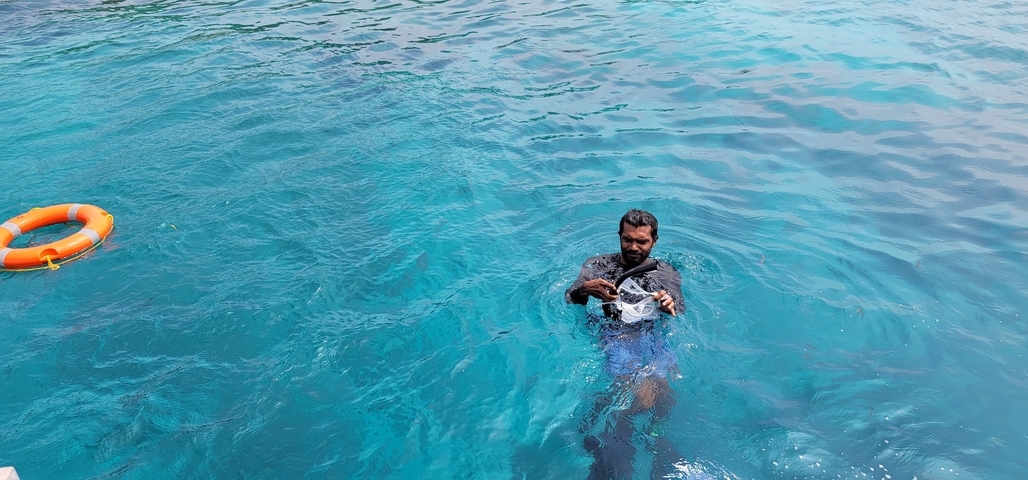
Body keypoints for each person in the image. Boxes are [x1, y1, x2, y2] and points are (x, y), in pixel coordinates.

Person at [566, 209, 685, 480]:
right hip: (614, 332)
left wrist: (669, 306)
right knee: (634, 394)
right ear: (619, 236)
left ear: (654, 240)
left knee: (665, 395)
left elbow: (679, 306)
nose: (633, 247)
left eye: (641, 241)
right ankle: (614, 448)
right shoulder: (597, 266)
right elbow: (571, 298)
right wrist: (585, 290)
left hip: (652, 332)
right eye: (627, 239)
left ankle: (655, 437)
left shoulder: (665, 271)